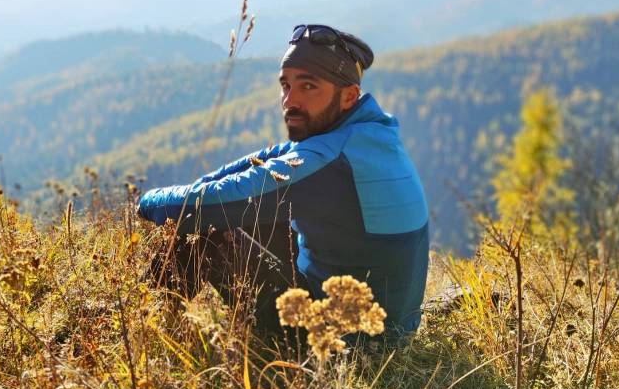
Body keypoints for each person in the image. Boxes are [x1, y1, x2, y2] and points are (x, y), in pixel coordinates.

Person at [137, 24, 430, 340]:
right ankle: (145, 321)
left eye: (308, 87)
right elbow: (262, 163)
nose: (290, 100)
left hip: (345, 342)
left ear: (348, 96)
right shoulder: (365, 136)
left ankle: (141, 326)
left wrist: (147, 203)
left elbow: (212, 203)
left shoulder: (330, 159)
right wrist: (200, 187)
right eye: (286, 86)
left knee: (211, 227)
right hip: (387, 327)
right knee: (238, 209)